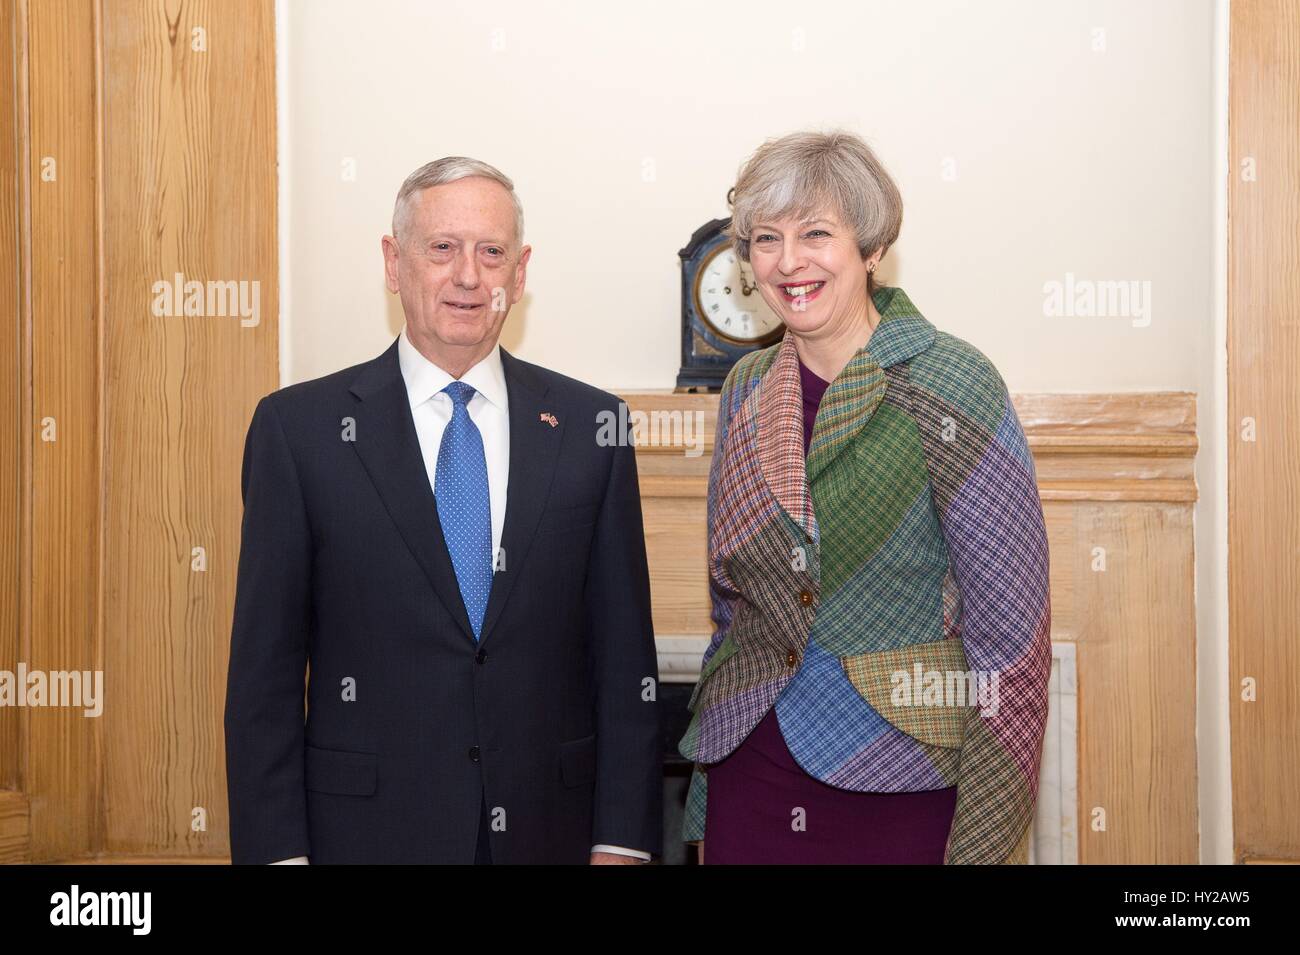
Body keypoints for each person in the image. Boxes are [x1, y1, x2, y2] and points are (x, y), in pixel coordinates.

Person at [225, 157, 661, 864]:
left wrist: (622, 841)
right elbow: (263, 680)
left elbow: (624, 664)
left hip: (550, 834)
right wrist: (278, 854)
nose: (468, 275)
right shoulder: (298, 432)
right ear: (394, 264)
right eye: (442, 248)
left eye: (491, 253)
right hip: (363, 838)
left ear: (519, 276)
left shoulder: (592, 427)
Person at [679, 130, 1052, 864]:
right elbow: (734, 609)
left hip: (901, 778)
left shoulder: (951, 382)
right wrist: (708, 778)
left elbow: (1012, 647)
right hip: (751, 770)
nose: (790, 261)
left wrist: (980, 842)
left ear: (871, 247)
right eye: (766, 239)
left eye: (816, 233)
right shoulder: (745, 389)